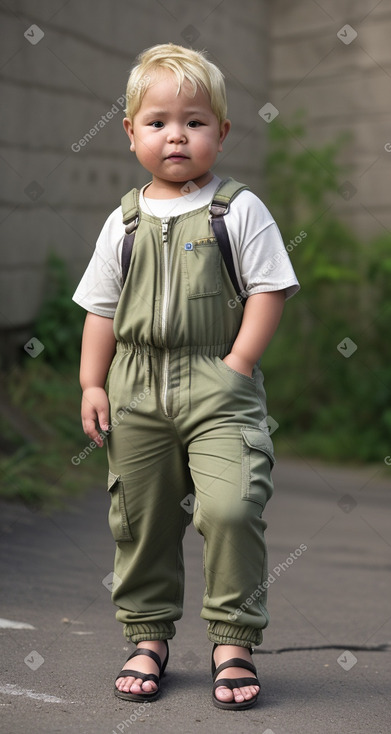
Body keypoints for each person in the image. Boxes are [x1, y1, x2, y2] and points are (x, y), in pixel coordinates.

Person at [73, 42, 300, 711]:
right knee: (140, 519)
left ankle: (232, 640)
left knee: (231, 507)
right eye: (159, 121)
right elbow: (100, 309)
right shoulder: (124, 221)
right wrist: (93, 383)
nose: (177, 134)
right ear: (131, 132)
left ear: (220, 134)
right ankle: (147, 636)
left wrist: (238, 365)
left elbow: (269, 290)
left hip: (217, 387)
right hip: (135, 386)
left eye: (195, 122)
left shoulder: (239, 210)